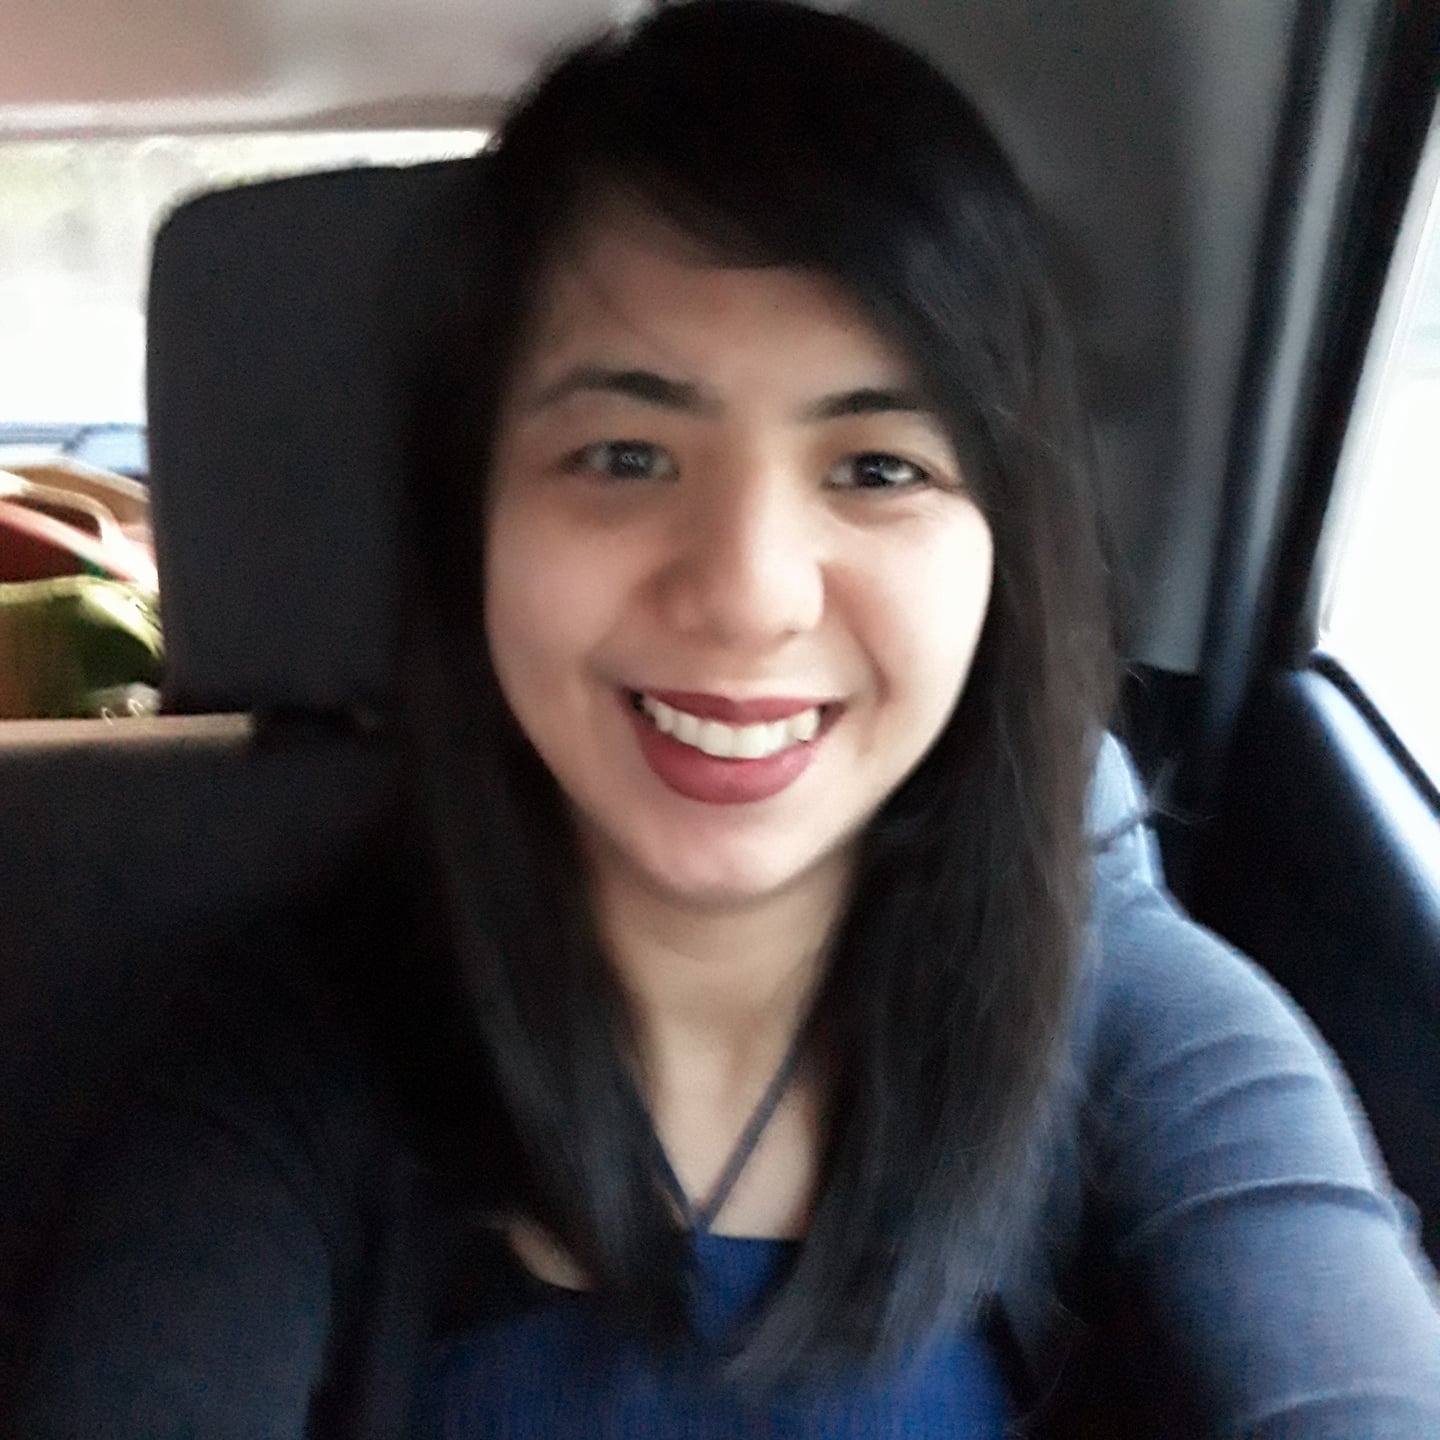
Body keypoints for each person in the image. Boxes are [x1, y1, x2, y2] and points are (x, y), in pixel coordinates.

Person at [15, 2, 1440, 1436]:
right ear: (472, 525)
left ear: (1006, 547)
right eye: (624, 456)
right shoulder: (277, 1067)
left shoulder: (1142, 1033)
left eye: (878, 468)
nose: (750, 595)